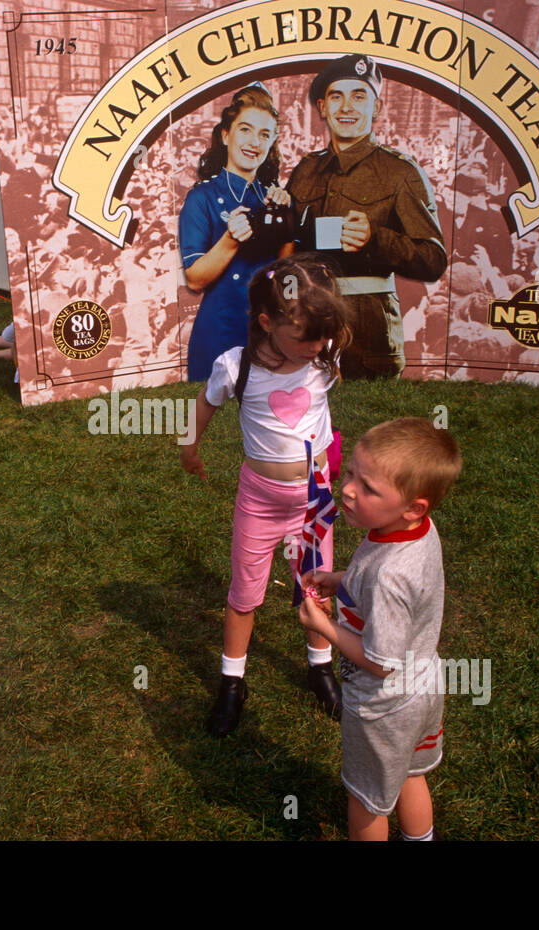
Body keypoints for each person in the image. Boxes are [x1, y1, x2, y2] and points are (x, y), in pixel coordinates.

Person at [181, 255, 353, 737]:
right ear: (266, 322)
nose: (316, 345)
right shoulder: (237, 367)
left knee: (316, 587)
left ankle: (320, 667)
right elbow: (205, 402)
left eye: (323, 336)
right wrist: (189, 448)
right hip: (259, 500)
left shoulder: (322, 357)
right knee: (243, 596)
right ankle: (232, 684)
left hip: (314, 500)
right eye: (305, 335)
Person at [297, 418, 462, 840]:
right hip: (423, 687)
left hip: (382, 706)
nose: (348, 489)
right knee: (409, 774)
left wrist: (326, 627)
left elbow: (379, 661)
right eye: (350, 472)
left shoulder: (390, 577)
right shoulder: (415, 532)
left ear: (413, 507)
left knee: (366, 800)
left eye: (368, 487)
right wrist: (343, 580)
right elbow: (387, 582)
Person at [287, 54, 447, 379]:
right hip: (308, 321)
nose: (346, 107)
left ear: (376, 107)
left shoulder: (400, 171)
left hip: (368, 332)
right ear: (322, 107)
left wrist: (376, 239)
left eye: (359, 96)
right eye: (336, 96)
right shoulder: (305, 170)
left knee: (370, 426)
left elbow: (433, 261)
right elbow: (287, 246)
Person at [179, 84, 296, 382]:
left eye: (264, 134)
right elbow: (195, 278)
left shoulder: (273, 198)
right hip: (218, 331)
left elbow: (285, 272)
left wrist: (286, 217)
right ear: (226, 135)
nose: (254, 142)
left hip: (268, 331)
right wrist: (230, 240)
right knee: (217, 422)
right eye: (245, 129)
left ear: (272, 144)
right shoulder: (201, 198)